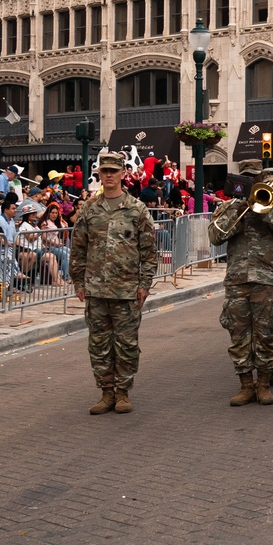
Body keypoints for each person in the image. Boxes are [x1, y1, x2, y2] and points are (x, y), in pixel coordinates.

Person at [207, 161, 273, 405]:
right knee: (239, 335)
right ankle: (245, 385)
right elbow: (215, 236)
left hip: (266, 280)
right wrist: (240, 210)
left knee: (266, 333)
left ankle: (263, 383)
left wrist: (266, 210)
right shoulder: (231, 207)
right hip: (237, 281)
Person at [70, 151, 158, 415]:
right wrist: (78, 281)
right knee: (98, 345)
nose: (108, 175)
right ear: (99, 174)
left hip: (126, 289)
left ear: (123, 173)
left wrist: (145, 284)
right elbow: (78, 247)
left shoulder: (136, 209)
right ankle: (106, 392)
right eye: (104, 171)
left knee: (126, 344)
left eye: (113, 171)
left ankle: (122, 393)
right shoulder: (89, 209)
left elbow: (149, 252)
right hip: (96, 290)